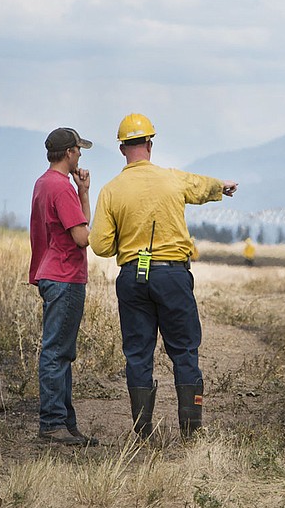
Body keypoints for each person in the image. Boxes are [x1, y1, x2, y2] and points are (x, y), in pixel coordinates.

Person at [89, 113, 238, 441]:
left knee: (138, 353)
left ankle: (143, 434)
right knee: (184, 350)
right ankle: (191, 433)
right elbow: (200, 186)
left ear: (122, 149)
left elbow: (99, 245)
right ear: (150, 145)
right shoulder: (172, 179)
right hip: (173, 276)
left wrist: (124, 241)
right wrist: (221, 187)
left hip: (132, 278)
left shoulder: (111, 190)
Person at [28, 127, 98, 447]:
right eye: (79, 150)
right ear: (69, 153)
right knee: (57, 352)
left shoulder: (43, 183)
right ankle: (53, 422)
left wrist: (82, 191)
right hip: (65, 276)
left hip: (48, 273)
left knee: (60, 351)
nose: (80, 155)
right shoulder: (61, 188)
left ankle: (65, 423)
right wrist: (81, 194)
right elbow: (82, 237)